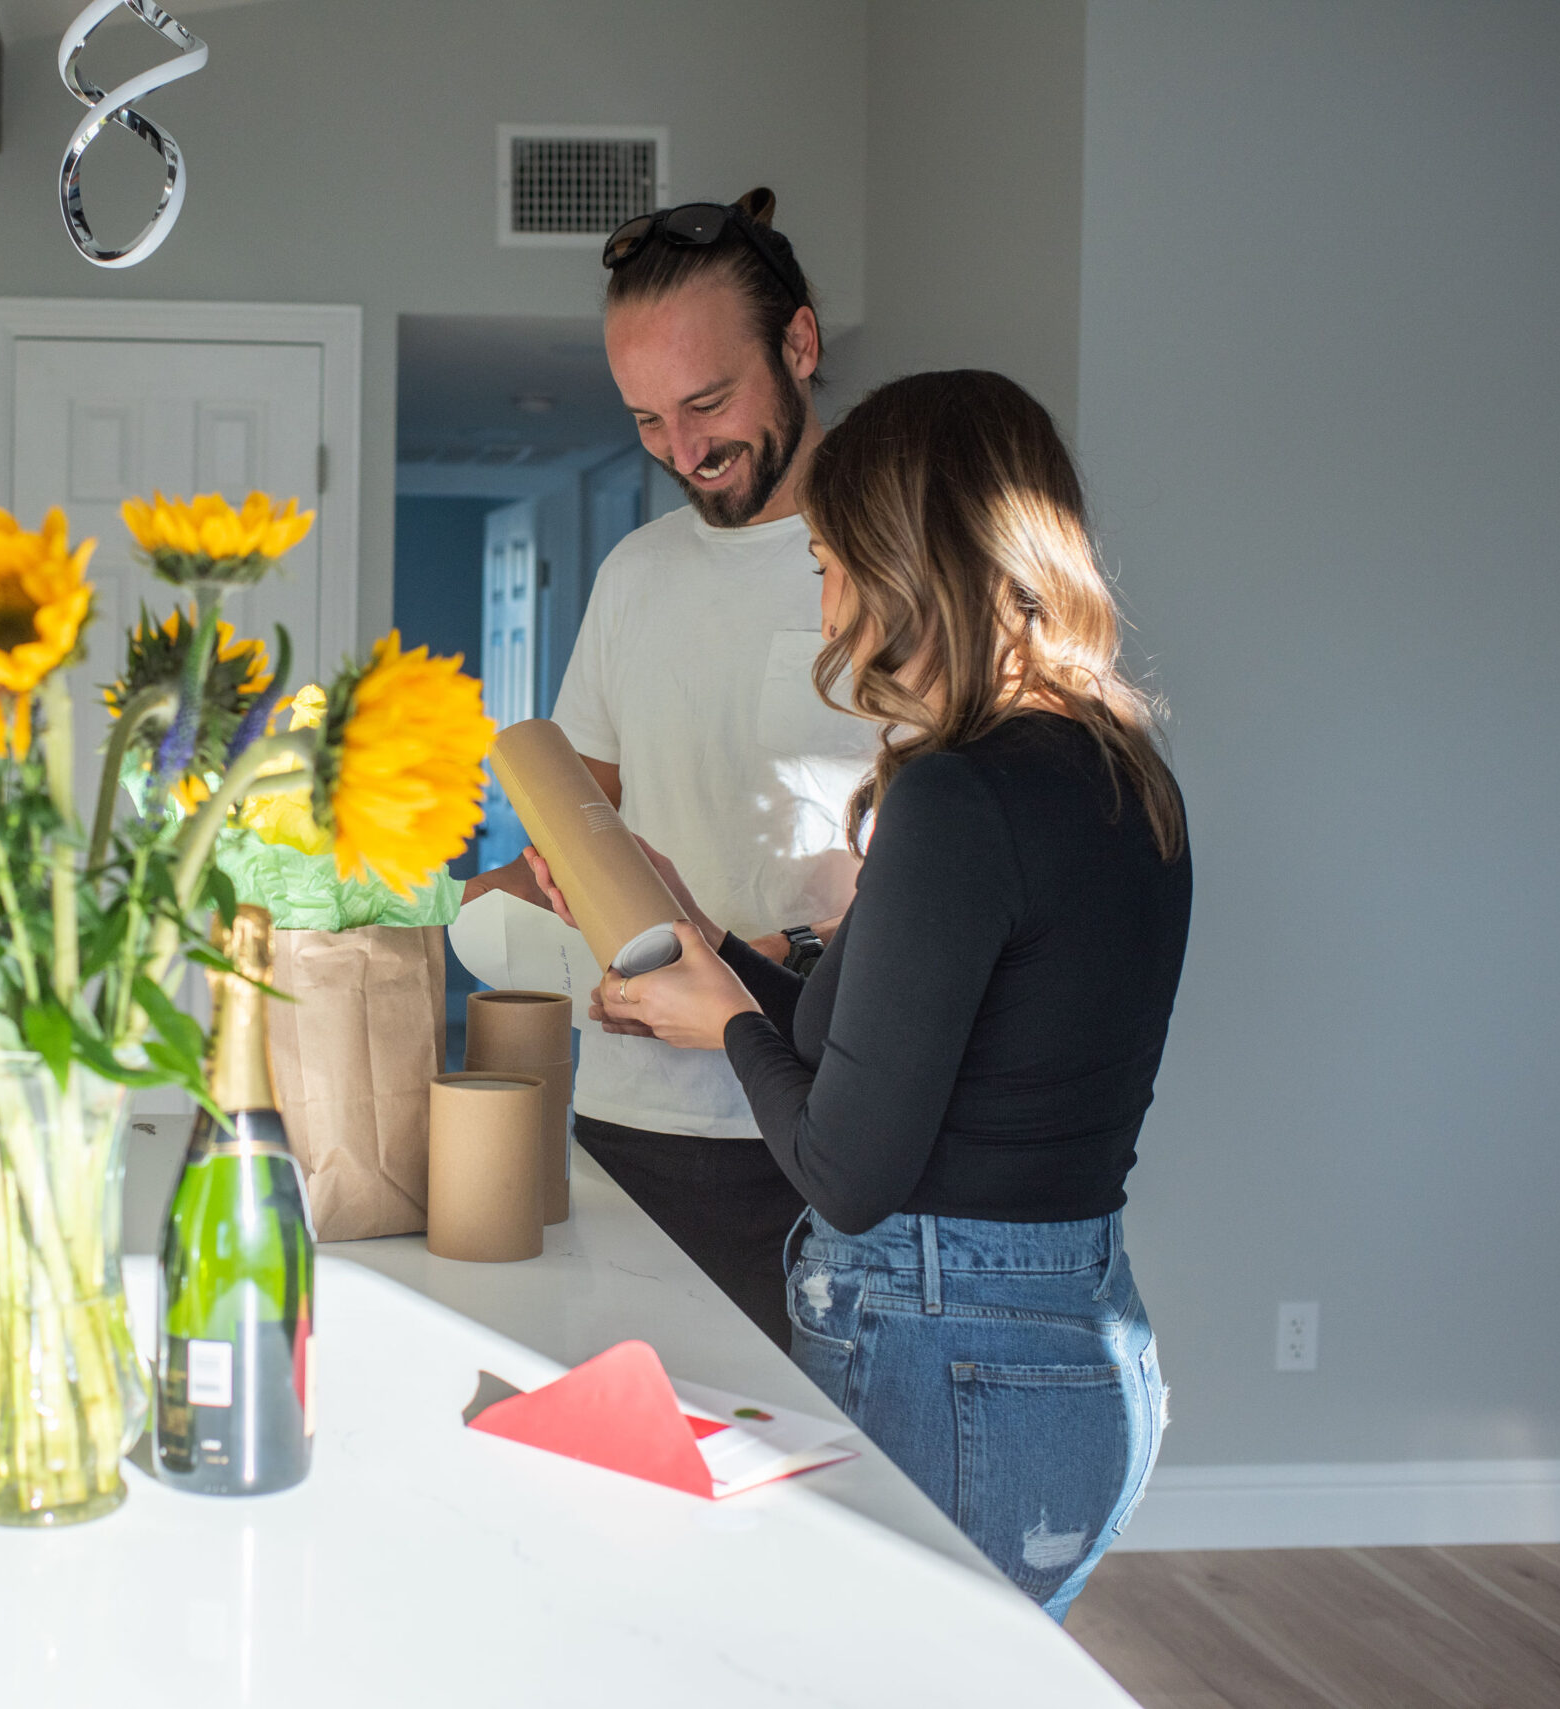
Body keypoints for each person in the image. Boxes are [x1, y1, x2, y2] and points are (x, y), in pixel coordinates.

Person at [534, 369, 1188, 1619]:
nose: (825, 596)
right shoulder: (1113, 769)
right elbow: (892, 1044)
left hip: (954, 1358)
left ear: (908, 564)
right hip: (1067, 1342)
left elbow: (846, 1163)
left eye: (833, 560)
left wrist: (717, 1017)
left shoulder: (957, 797)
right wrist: (715, 943)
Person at [462, 190, 876, 1349]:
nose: (683, 451)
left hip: (805, 1126)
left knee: (808, 1492)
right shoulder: (635, 573)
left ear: (797, 344)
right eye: (645, 419)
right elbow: (576, 834)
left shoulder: (892, 563)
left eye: (708, 401)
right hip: (624, 1114)